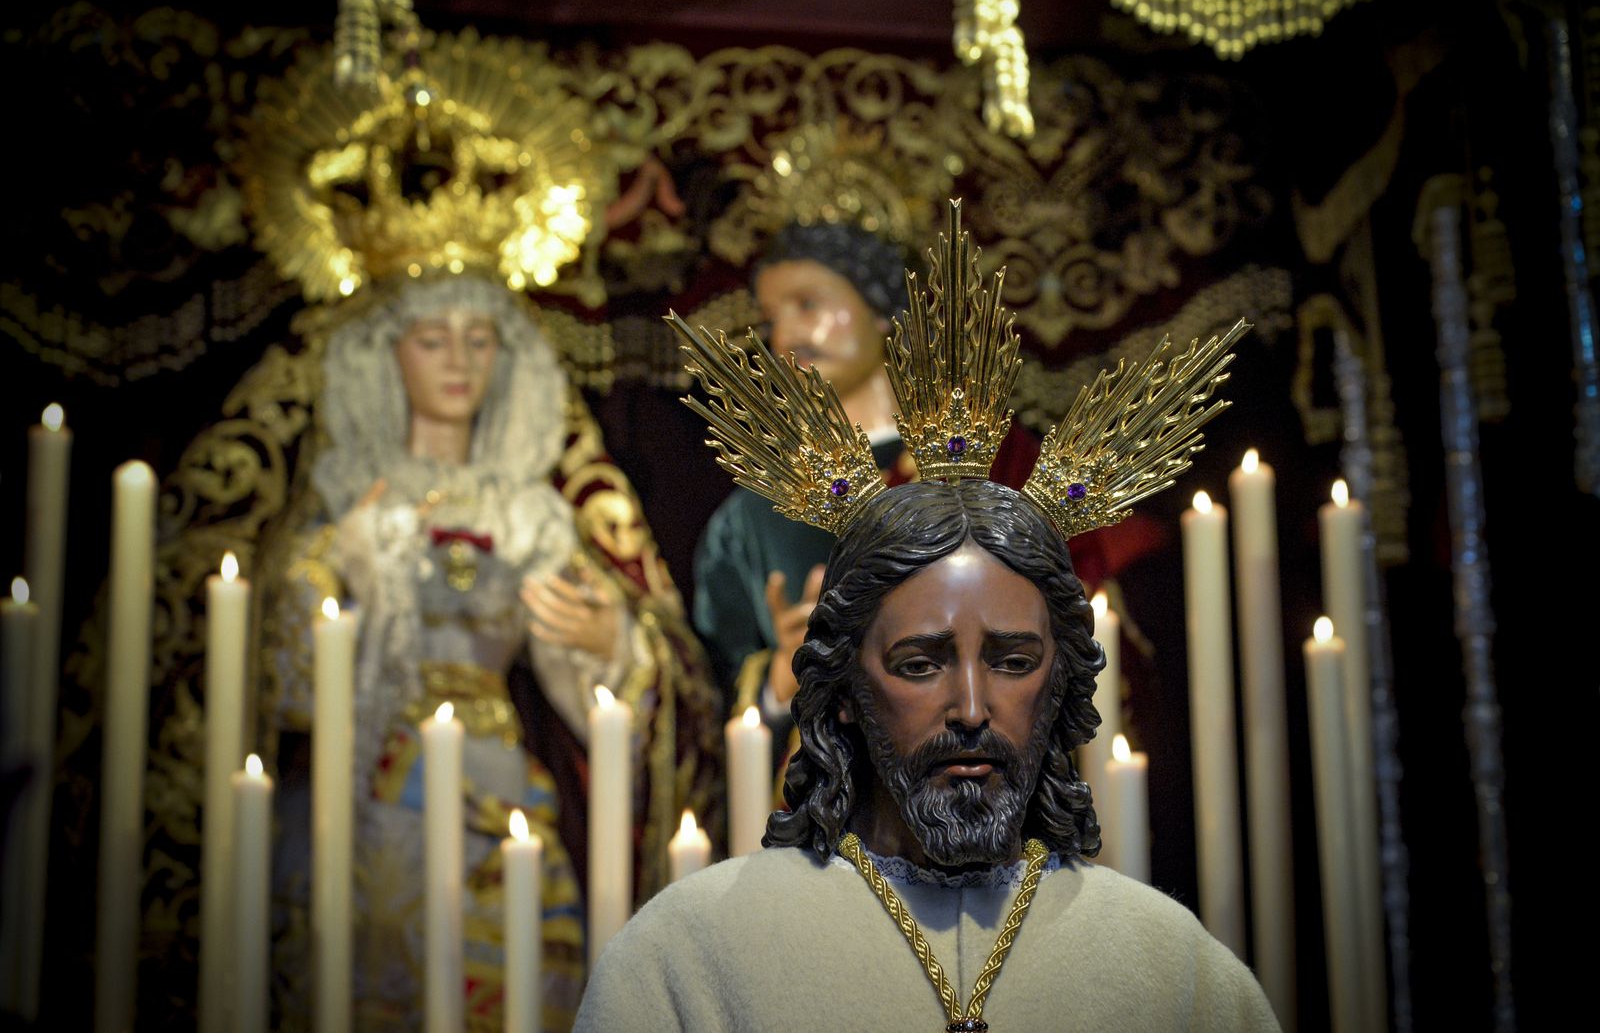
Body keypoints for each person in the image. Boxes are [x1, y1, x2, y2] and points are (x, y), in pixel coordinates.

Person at [578, 481, 1277, 1031]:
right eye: (920, 664)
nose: (972, 709)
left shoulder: (1173, 970)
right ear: (845, 686)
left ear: (1059, 678)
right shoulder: (689, 959)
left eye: (1012, 661)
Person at [262, 272, 716, 1031]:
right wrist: (328, 569)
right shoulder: (348, 499)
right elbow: (289, 679)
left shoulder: (527, 515)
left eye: (479, 342)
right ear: (390, 356)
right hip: (367, 780)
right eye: (433, 341)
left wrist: (607, 644)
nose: (458, 363)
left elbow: (594, 673)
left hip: (495, 781)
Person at [692, 220, 1037, 743]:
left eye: (807, 305)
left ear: (881, 309)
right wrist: (783, 677)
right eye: (771, 321)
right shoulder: (752, 518)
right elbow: (718, 683)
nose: (785, 338)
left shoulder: (996, 463)